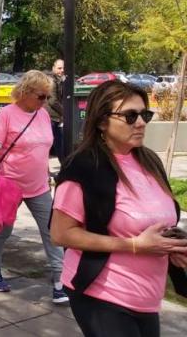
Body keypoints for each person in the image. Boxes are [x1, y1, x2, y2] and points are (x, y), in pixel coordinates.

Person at [51, 80, 187, 337]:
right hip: (102, 293)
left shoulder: (150, 161)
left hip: (146, 296)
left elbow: (158, 219)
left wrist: (173, 246)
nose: (140, 122)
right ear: (102, 122)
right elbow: (61, 234)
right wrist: (134, 245)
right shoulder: (83, 166)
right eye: (130, 116)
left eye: (144, 114)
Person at [0, 70, 66, 302]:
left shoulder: (42, 115)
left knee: (52, 231)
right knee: (3, 230)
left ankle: (60, 281)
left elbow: (42, 147)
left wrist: (47, 172)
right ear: (26, 92)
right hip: (9, 183)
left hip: (38, 186)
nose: (45, 102)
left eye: (48, 97)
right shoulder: (6, 115)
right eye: (42, 96)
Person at [47, 59, 65, 164]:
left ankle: (65, 167)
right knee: (49, 145)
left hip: (55, 117)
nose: (62, 70)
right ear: (53, 68)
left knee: (59, 144)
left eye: (63, 68)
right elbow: (53, 101)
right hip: (50, 117)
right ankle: (46, 172)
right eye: (59, 68)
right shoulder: (52, 81)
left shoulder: (59, 80)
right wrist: (65, 112)